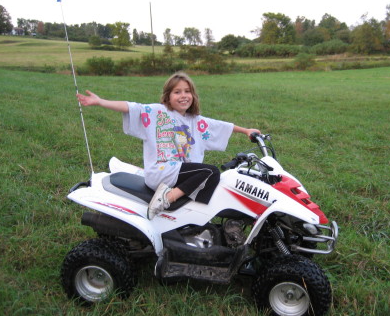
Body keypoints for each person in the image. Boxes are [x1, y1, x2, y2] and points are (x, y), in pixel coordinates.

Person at [76, 72, 260, 219]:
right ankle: (166, 199)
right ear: (168, 96)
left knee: (214, 180)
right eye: (177, 92)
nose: (183, 96)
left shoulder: (196, 121)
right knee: (210, 172)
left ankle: (188, 219)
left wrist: (245, 131)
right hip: (161, 172)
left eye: (187, 91)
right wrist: (100, 102)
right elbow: (131, 107)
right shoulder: (158, 112)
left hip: (178, 173)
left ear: (193, 96)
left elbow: (221, 126)